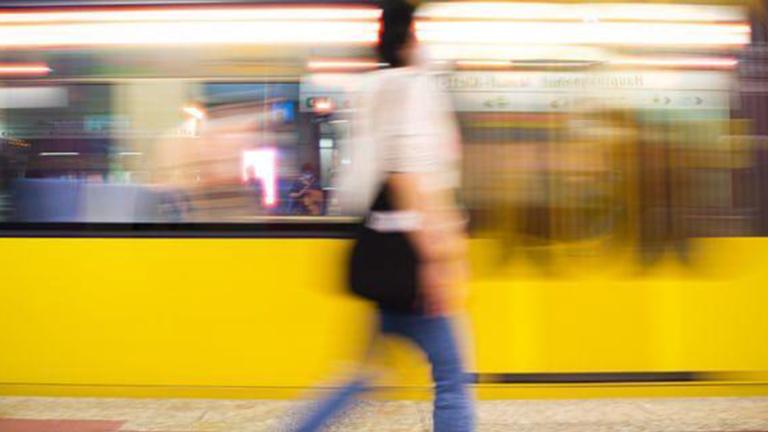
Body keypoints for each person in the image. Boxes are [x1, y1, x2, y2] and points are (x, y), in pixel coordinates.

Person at [292, 0, 473, 431]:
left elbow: (370, 176)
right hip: (409, 256)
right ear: (410, 37)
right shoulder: (413, 86)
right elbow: (405, 174)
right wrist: (436, 258)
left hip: (382, 251)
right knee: (452, 378)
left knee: (365, 374)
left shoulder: (372, 88)